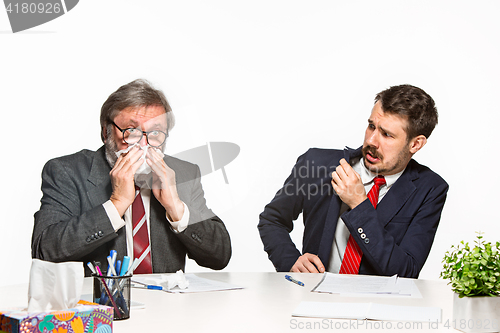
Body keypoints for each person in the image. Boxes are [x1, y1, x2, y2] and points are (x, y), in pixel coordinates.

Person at [32, 79, 231, 276]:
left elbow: (220, 256)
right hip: (101, 305)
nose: (143, 144)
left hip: (167, 304)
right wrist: (116, 204)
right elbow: (44, 251)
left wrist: (176, 208)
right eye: (132, 131)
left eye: (155, 133)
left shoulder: (184, 173)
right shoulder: (67, 171)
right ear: (106, 132)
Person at [258, 84, 448, 278]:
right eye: (371, 126)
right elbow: (272, 220)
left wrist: (359, 204)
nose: (372, 141)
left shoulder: (430, 189)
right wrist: (290, 261)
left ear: (416, 144)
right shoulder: (317, 164)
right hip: (315, 296)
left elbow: (406, 271)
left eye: (387, 135)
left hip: (379, 304)